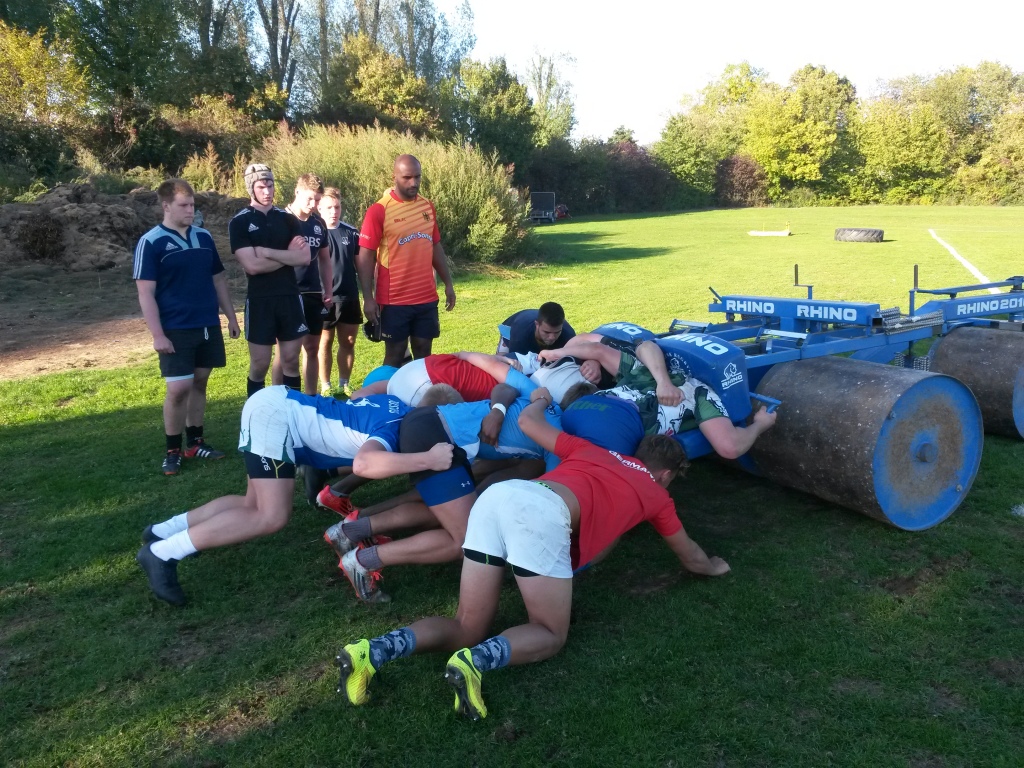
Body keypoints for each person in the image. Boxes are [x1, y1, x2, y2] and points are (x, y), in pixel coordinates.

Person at [334, 387, 729, 719]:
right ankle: (476, 662)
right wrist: (714, 567)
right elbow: (691, 556)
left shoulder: (595, 453)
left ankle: (373, 650)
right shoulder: (656, 495)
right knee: (550, 633)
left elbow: (530, 424)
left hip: (496, 500)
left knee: (466, 625)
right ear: (664, 475)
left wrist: (539, 399)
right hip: (540, 515)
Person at [135, 386, 455, 606]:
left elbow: (363, 395)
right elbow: (365, 463)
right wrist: (428, 459)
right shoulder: (397, 427)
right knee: (270, 516)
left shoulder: (396, 403)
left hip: (276, 404)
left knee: (251, 503)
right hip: (278, 418)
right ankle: (163, 552)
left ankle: (162, 530)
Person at [134, 178, 240, 475]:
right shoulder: (151, 242)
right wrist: (157, 334)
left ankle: (195, 441)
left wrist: (230, 317)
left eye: (192, 205)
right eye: (184, 205)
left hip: (207, 323)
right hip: (175, 327)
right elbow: (145, 293)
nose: (190, 210)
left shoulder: (203, 237)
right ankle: (172, 449)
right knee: (178, 388)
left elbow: (218, 279)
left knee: (200, 382)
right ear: (166, 206)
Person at [540, 339, 777, 459]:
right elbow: (644, 345)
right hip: (595, 418)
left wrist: (759, 425)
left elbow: (729, 446)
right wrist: (557, 353)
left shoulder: (700, 392)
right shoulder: (643, 370)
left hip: (606, 426)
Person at [357, 154, 456, 368]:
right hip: (394, 299)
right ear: (395, 177)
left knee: (423, 352)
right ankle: (390, 400)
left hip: (425, 296)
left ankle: (421, 400)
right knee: (395, 355)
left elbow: (435, 246)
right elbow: (365, 255)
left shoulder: (427, 207)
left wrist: (448, 283)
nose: (414, 183)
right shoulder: (379, 210)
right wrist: (368, 297)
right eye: (407, 177)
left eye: (418, 177)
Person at [228, 163, 309, 397]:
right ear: (251, 189)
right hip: (260, 300)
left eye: (271, 185)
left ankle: (294, 411)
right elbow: (252, 266)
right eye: (262, 186)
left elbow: (304, 257)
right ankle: (256, 412)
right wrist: (288, 256)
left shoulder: (288, 219)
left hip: (290, 297)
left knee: (291, 360)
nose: (267, 191)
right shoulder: (240, 222)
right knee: (260, 364)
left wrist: (268, 252)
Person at [271, 174, 333, 394]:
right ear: (297, 192)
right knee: (286, 351)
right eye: (309, 199)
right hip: (287, 292)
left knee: (312, 347)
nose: (313, 205)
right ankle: (277, 396)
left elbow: (325, 260)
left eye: (317, 200)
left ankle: (311, 397)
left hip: (313, 293)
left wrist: (329, 290)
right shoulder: (279, 219)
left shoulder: (318, 223)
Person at [317, 187, 362, 398]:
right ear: (319, 208)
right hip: (324, 298)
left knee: (348, 342)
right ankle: (325, 386)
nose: (334, 211)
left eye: (337, 207)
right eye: (329, 207)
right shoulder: (314, 231)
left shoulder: (352, 232)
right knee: (324, 342)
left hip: (349, 296)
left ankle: (344, 383)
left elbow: (361, 266)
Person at [497, 303, 575, 356]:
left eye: (557, 332)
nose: (552, 337)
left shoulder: (569, 335)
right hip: (511, 331)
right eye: (547, 332)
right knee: (502, 363)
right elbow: (516, 362)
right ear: (537, 324)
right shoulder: (520, 334)